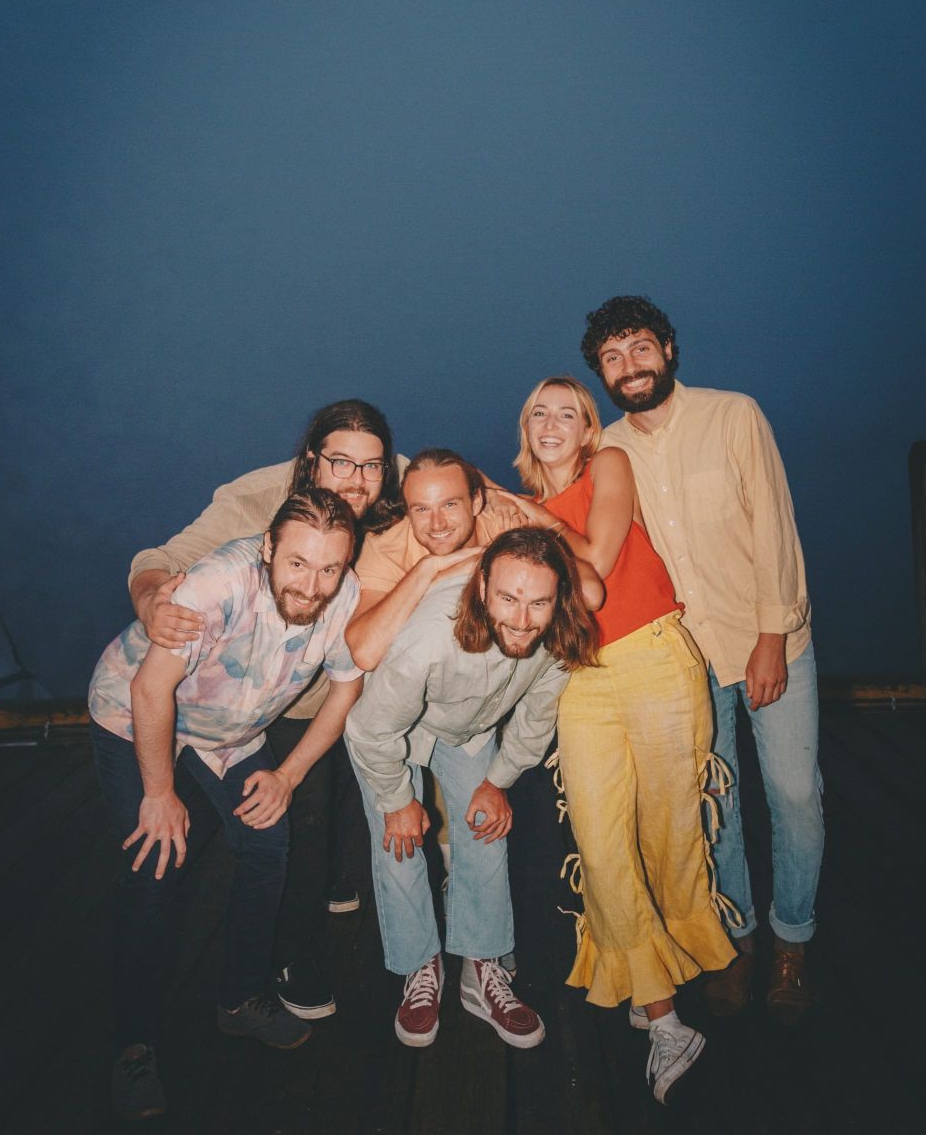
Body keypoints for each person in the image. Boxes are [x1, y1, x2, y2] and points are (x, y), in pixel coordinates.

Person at [582, 294, 822, 1025]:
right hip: (682, 658)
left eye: (640, 348)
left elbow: (775, 525)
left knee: (794, 795)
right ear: (602, 374)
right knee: (713, 805)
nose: (629, 366)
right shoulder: (607, 454)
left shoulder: (734, 415)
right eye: (612, 357)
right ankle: (736, 942)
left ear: (668, 350)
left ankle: (792, 941)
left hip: (766, 636)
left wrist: (771, 635)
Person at [126, 399, 406, 1021]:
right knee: (290, 822)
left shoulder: (392, 483)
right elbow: (161, 559)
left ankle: (327, 894)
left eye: (372, 466)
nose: (358, 479)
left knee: (333, 809)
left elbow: (462, 487)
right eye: (340, 462)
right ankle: (288, 956)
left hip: (343, 685)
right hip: (260, 699)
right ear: (311, 460)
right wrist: (150, 603)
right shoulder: (256, 502)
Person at [89, 490, 362, 1121]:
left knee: (268, 845)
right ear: (268, 548)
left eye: (329, 568)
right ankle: (134, 1045)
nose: (312, 585)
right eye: (297, 563)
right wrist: (160, 794)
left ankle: (238, 999)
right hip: (136, 714)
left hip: (227, 730)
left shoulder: (342, 595)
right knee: (156, 863)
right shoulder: (218, 583)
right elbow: (150, 689)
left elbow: (346, 690)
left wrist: (287, 776)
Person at [502, 376, 734, 1104]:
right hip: (581, 677)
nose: (551, 423)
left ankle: (665, 968)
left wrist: (531, 516)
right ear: (525, 428)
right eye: (538, 413)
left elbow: (596, 560)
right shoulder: (520, 511)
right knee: (600, 845)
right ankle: (665, 1020)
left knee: (670, 832)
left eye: (566, 413)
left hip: (654, 657)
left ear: (586, 428)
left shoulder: (608, 465)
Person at [345, 528, 600, 1051]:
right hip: (392, 728)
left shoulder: (559, 635)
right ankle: (420, 966)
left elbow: (535, 719)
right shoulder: (429, 639)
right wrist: (398, 802)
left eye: (538, 603)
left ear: (559, 599)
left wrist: (496, 781)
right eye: (508, 598)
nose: (522, 620)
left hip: (469, 728)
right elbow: (368, 730)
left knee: (487, 831)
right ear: (482, 587)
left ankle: (481, 964)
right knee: (400, 844)